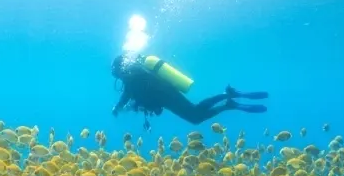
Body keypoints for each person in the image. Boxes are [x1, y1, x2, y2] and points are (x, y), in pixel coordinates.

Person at [111, 54, 268, 130]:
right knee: (195, 112)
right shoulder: (135, 73)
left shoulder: (130, 74)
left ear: (120, 68)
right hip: (166, 95)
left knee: (195, 116)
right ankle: (228, 97)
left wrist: (117, 107)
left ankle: (228, 102)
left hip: (166, 95)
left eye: (116, 71)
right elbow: (132, 96)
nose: (117, 75)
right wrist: (122, 106)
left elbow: (128, 95)